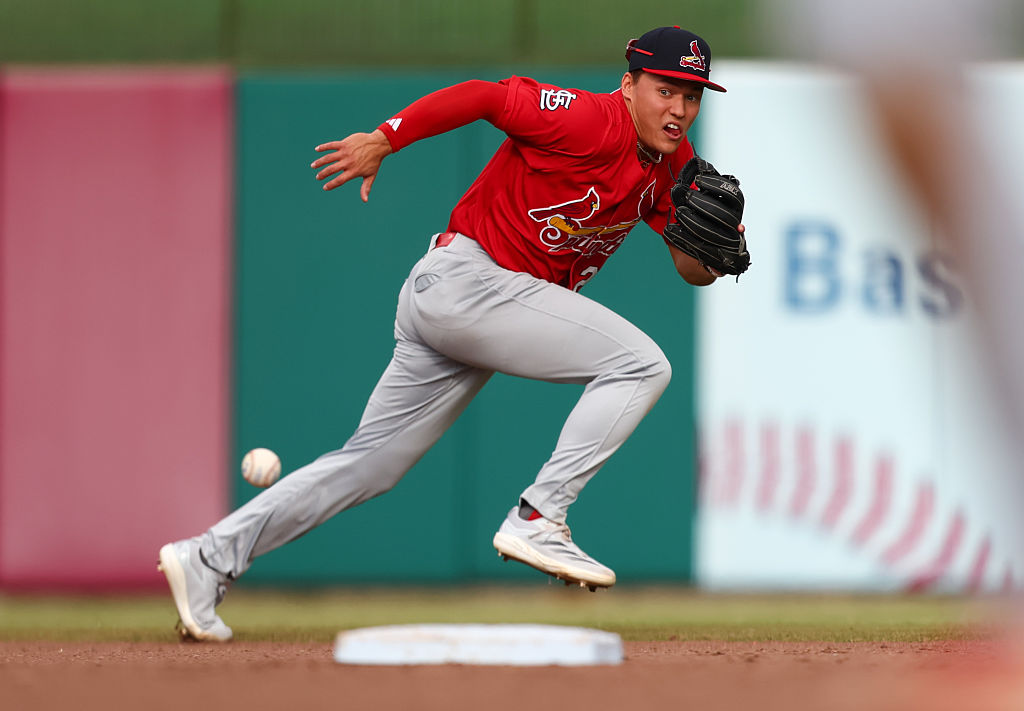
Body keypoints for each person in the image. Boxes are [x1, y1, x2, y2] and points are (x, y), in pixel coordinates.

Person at [158, 26, 739, 641]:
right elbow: (484, 97)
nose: (679, 109)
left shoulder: (675, 166)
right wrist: (387, 138)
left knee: (368, 467)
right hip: (469, 281)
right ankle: (540, 517)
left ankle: (207, 558)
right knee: (642, 365)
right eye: (665, 90)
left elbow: (689, 265)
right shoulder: (592, 121)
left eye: (692, 96)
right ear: (629, 85)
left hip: (471, 306)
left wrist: (723, 248)